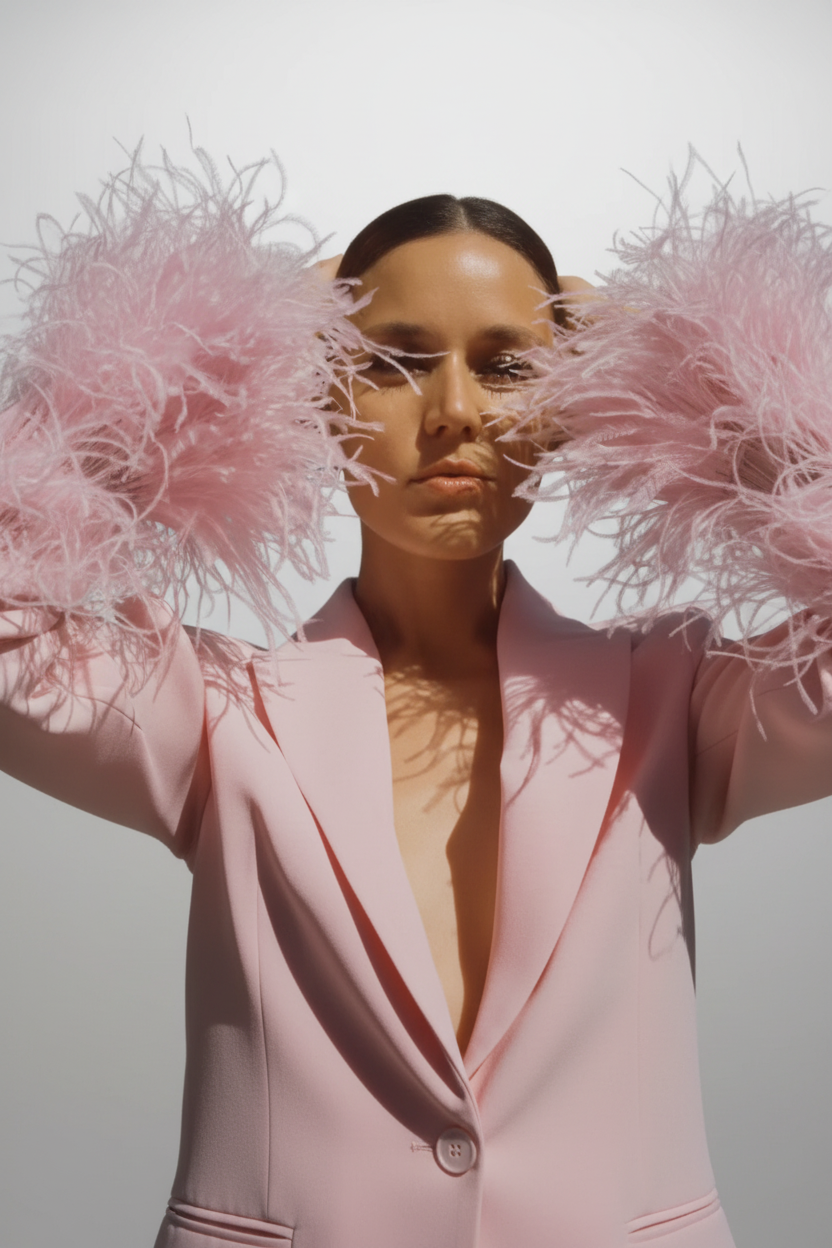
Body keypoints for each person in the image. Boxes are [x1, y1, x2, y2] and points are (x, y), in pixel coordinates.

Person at [1, 164, 831, 1248]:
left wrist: (698, 363)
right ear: (317, 393)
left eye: (507, 366)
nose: (452, 413)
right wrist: (212, 347)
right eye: (393, 364)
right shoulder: (216, 710)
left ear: (572, 407)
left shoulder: (665, 699)